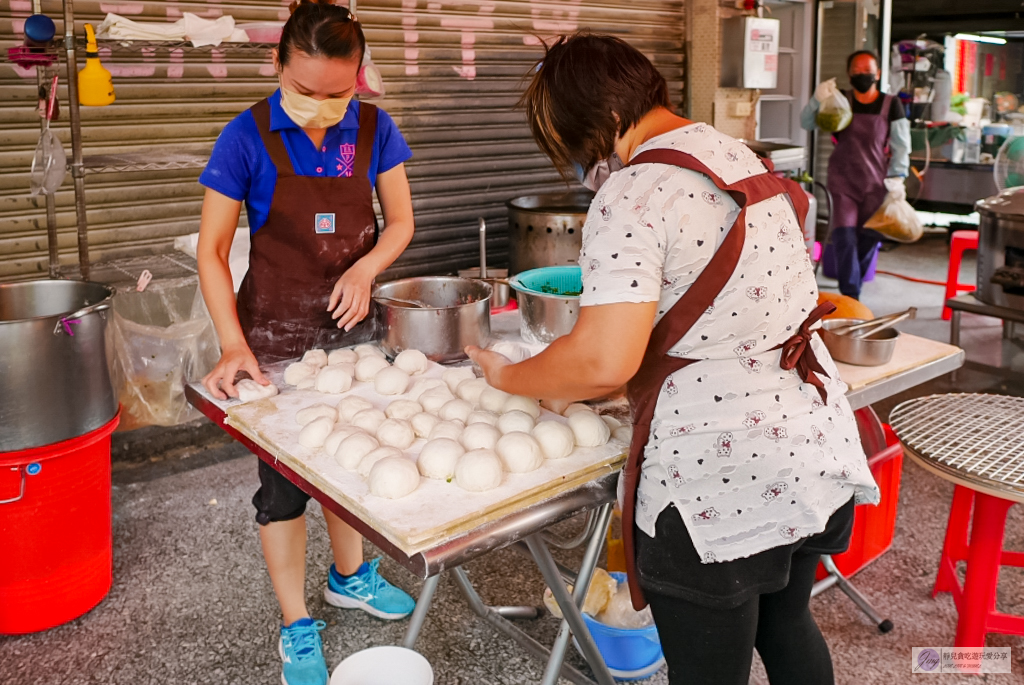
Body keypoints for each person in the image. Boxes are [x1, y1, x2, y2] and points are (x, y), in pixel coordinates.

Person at [467, 33, 880, 685]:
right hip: (810, 444)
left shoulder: (632, 191)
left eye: (578, 145)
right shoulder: (738, 156)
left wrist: (509, 373)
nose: (584, 163)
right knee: (787, 624)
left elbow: (603, 358)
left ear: (606, 122)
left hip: (722, 477)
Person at [197, 2, 416, 683]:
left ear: (360, 77)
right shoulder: (244, 136)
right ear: (276, 66)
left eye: (338, 93)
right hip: (273, 337)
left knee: (351, 468)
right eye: (305, 92)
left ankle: (349, 574)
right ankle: (296, 621)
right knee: (285, 487)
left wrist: (366, 265)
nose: (322, 107)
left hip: (350, 330)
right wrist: (234, 344)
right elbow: (210, 250)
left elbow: (401, 221)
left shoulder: (375, 129)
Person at [801, 50, 911, 300]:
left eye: (868, 70)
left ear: (878, 73)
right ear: (849, 75)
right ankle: (851, 295)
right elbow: (807, 123)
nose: (863, 75)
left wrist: (898, 177)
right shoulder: (841, 101)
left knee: (869, 237)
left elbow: (901, 144)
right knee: (844, 237)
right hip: (842, 181)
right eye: (857, 71)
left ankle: (854, 285)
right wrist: (816, 101)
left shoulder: (890, 104)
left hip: (876, 182)